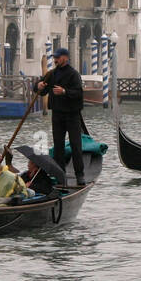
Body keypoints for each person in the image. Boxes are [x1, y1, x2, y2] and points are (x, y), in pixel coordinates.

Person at [36, 48, 87, 186]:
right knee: (58, 146)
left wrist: (64, 91)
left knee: (76, 145)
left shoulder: (74, 74)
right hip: (57, 114)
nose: (55, 60)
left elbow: (78, 94)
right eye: (55, 57)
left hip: (72, 115)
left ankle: (79, 175)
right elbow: (42, 90)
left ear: (65, 58)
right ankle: (60, 175)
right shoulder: (52, 74)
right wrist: (38, 85)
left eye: (58, 57)